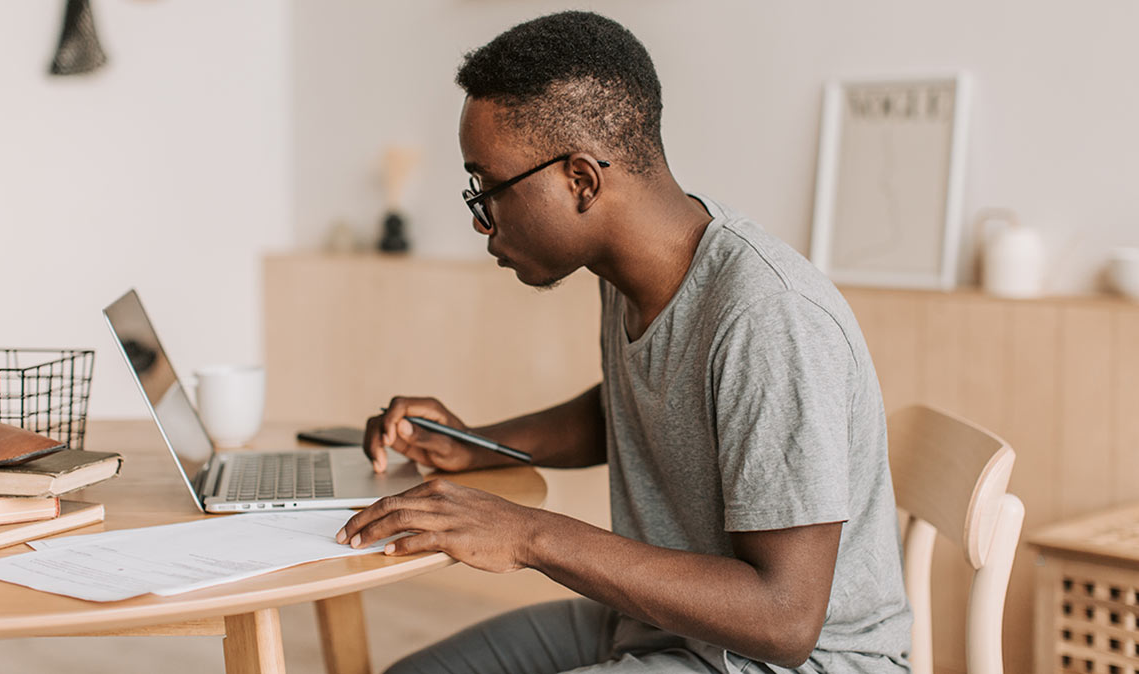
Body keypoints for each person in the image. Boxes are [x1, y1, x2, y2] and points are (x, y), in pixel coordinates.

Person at [335, 10, 911, 674]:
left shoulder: (768, 317)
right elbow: (636, 410)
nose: (481, 221)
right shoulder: (636, 272)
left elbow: (785, 620)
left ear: (581, 181)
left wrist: (528, 534)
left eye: (489, 188)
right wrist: (478, 445)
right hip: (667, 626)